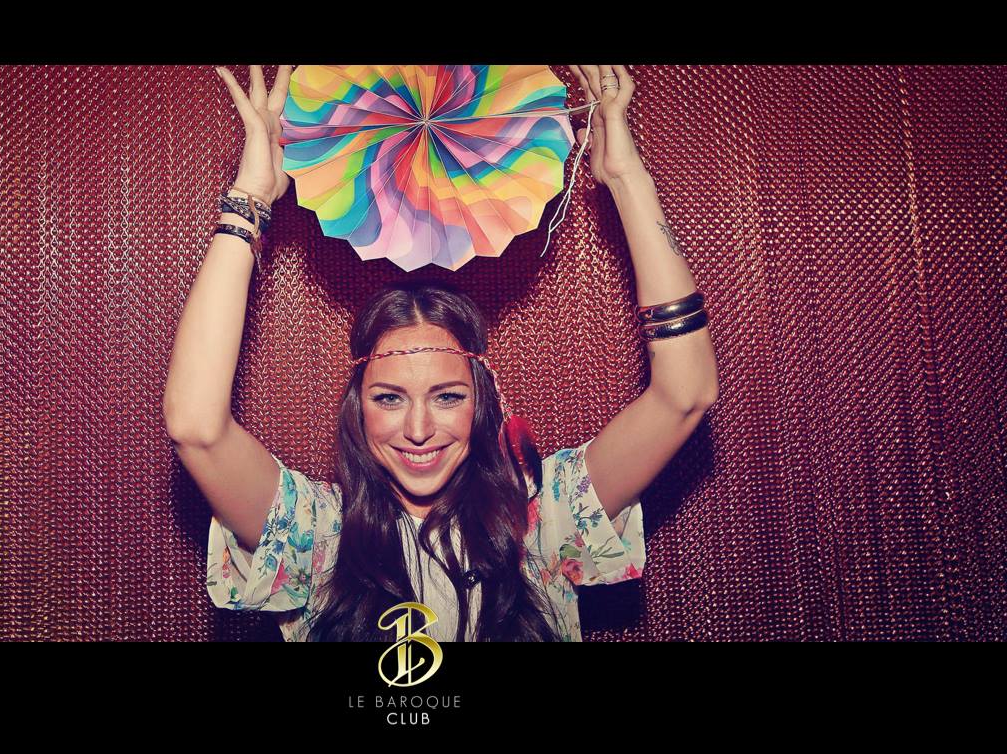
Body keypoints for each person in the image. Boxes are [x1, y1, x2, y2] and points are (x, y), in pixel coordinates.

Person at [163, 65, 720, 642]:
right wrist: (249, 200)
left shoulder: (546, 520)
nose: (419, 429)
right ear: (357, 406)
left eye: (447, 396)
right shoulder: (316, 533)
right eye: (389, 398)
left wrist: (626, 178)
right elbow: (196, 427)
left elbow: (685, 393)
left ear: (483, 399)